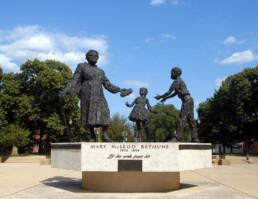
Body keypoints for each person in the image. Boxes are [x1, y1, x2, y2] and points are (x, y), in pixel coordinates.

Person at [59, 50, 132, 142]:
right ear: (87, 57)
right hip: (87, 93)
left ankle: (105, 135)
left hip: (99, 94)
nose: (94, 57)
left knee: (105, 111)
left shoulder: (101, 71)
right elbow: (74, 79)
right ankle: (92, 135)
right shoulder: (82, 66)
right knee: (90, 113)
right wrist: (65, 90)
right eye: (92, 55)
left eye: (96, 56)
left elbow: (107, 84)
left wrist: (120, 89)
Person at [154, 67, 200, 142]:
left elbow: (168, 92)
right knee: (190, 120)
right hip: (189, 100)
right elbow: (175, 93)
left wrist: (160, 96)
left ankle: (177, 138)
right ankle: (195, 138)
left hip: (186, 101)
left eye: (171, 73)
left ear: (175, 73)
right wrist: (166, 98)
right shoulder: (181, 81)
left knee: (181, 118)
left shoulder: (176, 81)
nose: (170, 75)